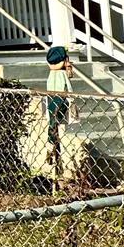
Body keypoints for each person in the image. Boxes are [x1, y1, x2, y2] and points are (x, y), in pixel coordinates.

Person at [45, 45, 73, 180]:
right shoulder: (61, 75)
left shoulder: (52, 75)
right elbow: (68, 86)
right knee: (54, 125)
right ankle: (52, 150)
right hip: (61, 98)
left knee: (53, 125)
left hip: (52, 98)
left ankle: (52, 148)